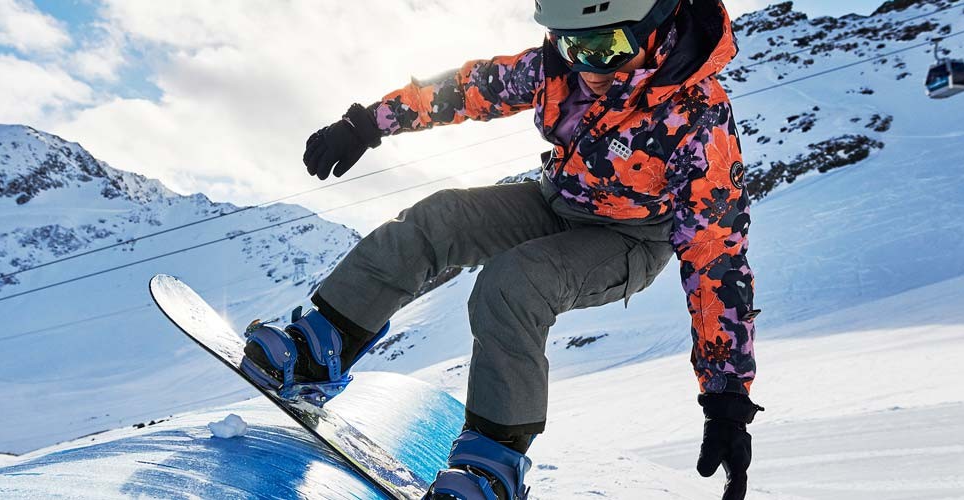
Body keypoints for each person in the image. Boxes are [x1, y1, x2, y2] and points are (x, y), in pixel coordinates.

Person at [241, 0, 762, 498]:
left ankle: (493, 467)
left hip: (629, 238)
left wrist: (727, 399)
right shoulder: (559, 67)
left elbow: (716, 255)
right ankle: (319, 349)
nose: (591, 65)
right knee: (439, 217)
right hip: (555, 199)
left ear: (657, 25)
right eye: (573, 45)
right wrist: (366, 124)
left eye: (607, 46)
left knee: (514, 284)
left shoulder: (699, 118)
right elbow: (469, 88)